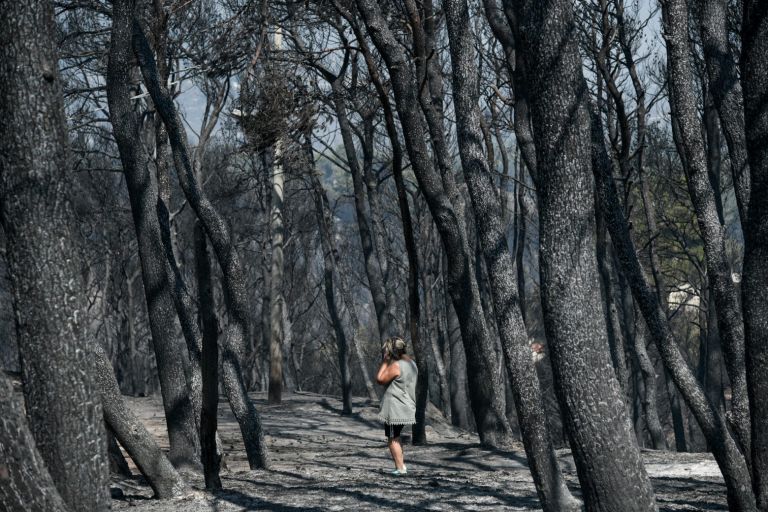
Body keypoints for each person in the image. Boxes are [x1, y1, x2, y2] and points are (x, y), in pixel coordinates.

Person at [376, 336, 418, 476]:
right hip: (406, 404)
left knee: (392, 438)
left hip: (395, 407)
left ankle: (400, 469)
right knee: (397, 437)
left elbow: (380, 379)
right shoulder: (412, 364)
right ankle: (401, 466)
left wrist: (385, 361)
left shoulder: (397, 365)